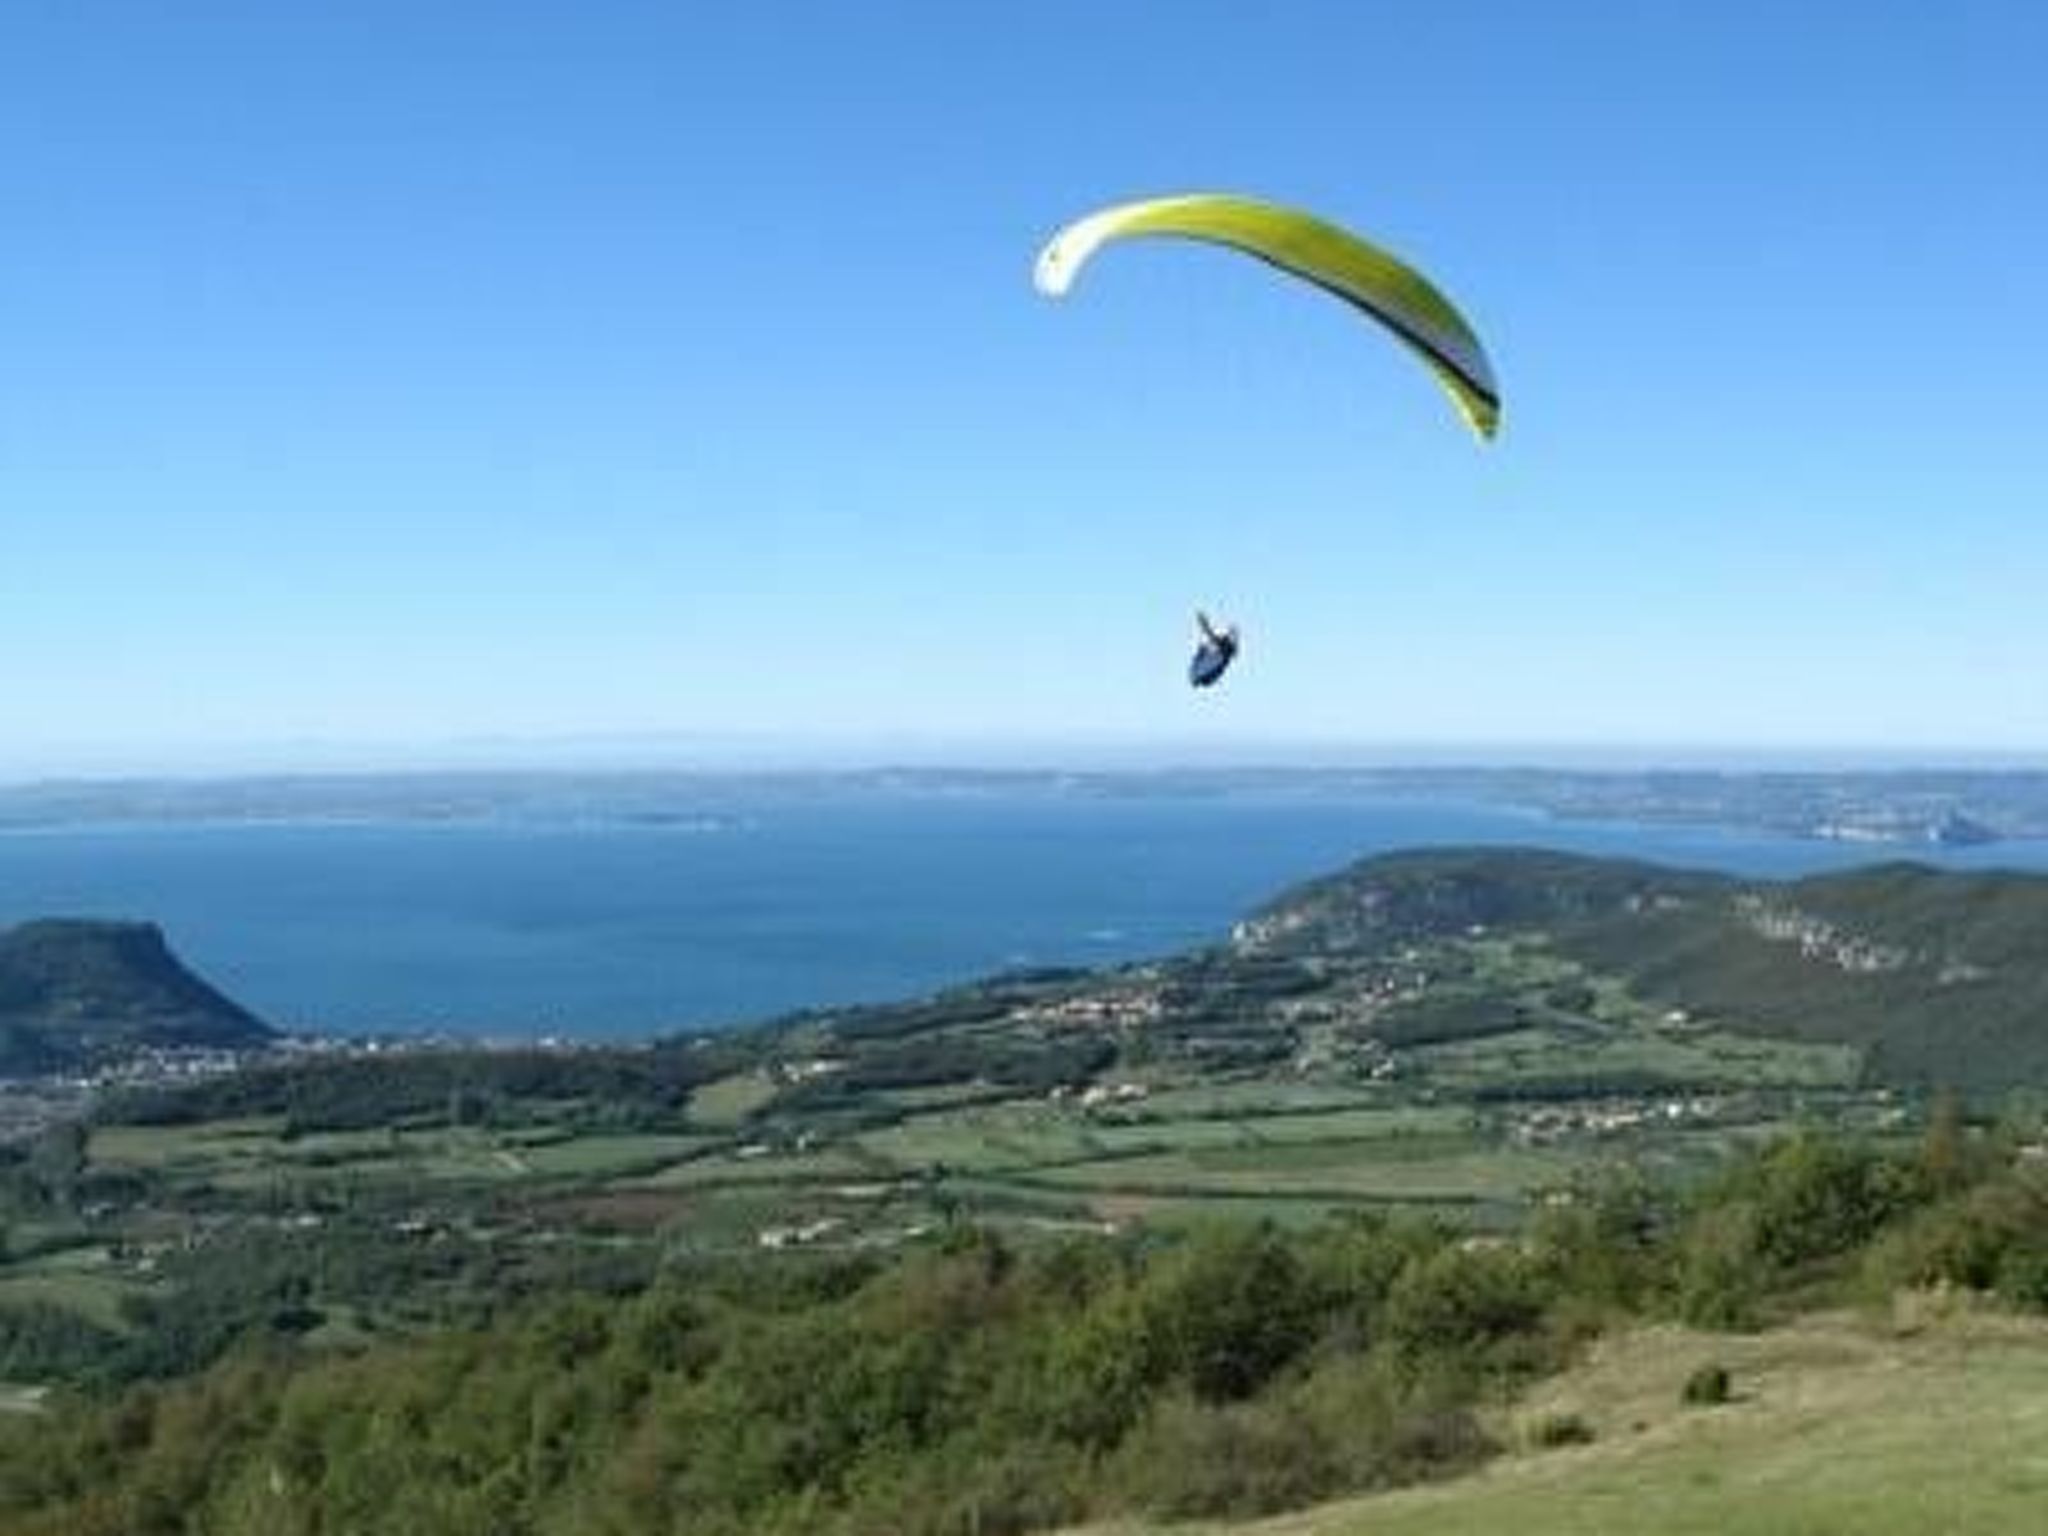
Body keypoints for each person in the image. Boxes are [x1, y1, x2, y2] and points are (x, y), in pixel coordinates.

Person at [1188, 610, 1240, 688]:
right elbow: (1210, 638)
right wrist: (1205, 626)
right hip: (1206, 673)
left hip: (1208, 673)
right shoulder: (1210, 650)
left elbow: (1212, 637)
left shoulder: (1225, 649)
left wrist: (1205, 625)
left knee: (1218, 648)